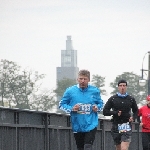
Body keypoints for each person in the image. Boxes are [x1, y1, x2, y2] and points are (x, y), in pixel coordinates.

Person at [59, 69, 103, 150]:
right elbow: (61, 104)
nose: (82, 81)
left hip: (91, 124)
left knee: (87, 147)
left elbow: (101, 104)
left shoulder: (95, 91)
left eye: (85, 79)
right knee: (80, 147)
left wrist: (97, 107)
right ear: (77, 79)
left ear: (89, 80)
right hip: (77, 124)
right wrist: (71, 108)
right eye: (81, 79)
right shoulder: (70, 91)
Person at [103, 79, 138, 150]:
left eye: (124, 86)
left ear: (126, 87)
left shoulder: (130, 99)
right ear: (118, 87)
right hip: (116, 125)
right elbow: (105, 111)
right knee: (118, 147)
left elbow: (136, 111)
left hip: (126, 125)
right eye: (120, 86)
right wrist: (115, 113)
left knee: (124, 148)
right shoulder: (113, 99)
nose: (122, 87)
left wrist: (133, 117)